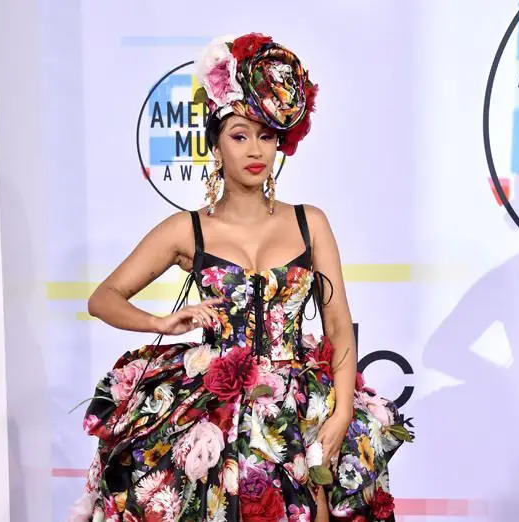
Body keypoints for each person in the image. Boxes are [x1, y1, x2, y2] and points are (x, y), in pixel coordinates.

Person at [69, 33, 413, 522]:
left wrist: (340, 415)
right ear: (215, 144)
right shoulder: (187, 229)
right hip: (219, 409)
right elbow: (104, 298)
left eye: (266, 136)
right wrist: (160, 322)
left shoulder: (310, 222)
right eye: (239, 135)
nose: (256, 150)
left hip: (300, 408)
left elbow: (338, 326)